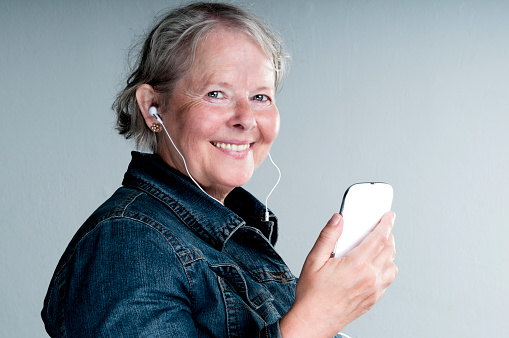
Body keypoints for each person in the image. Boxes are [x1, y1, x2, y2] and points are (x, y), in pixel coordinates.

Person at [42, 2, 398, 337]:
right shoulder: (126, 245)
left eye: (261, 97)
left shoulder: (228, 237)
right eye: (216, 93)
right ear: (153, 107)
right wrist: (315, 318)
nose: (246, 119)